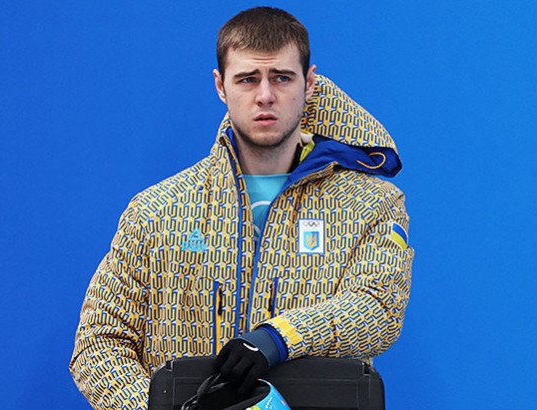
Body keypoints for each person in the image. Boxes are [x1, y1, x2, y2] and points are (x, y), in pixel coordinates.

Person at [70, 6, 413, 409]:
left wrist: (278, 338)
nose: (265, 95)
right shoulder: (157, 211)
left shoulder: (371, 205)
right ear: (221, 85)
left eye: (281, 77)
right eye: (248, 79)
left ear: (309, 83)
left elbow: (377, 307)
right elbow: (98, 341)